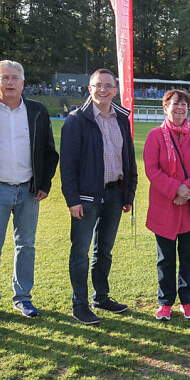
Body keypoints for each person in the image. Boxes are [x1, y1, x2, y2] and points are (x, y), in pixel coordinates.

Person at [60, 68, 137, 325]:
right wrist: (73, 200)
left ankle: (101, 297)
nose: (103, 90)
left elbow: (128, 158)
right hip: (86, 198)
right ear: (89, 88)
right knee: (80, 252)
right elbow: (67, 166)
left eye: (108, 86)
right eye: (98, 85)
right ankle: (80, 305)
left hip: (115, 195)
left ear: (115, 90)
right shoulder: (76, 120)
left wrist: (128, 193)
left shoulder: (122, 119)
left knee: (104, 250)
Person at [144, 89, 190, 321]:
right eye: (175, 104)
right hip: (164, 208)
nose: (179, 108)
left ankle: (187, 301)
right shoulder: (155, 136)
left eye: (183, 105)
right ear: (166, 108)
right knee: (165, 259)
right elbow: (152, 170)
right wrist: (175, 189)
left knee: (188, 258)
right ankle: (165, 302)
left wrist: (186, 190)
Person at [0, 60, 58, 317]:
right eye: (4, 77)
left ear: (23, 83)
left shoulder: (37, 111)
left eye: (14, 77)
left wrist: (44, 184)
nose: (9, 82)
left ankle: (23, 298)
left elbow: (49, 152)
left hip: (28, 191)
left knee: (26, 246)